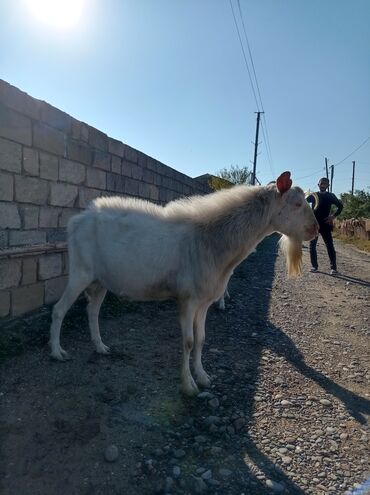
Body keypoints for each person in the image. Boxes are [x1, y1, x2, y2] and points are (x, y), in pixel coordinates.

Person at [306, 177, 343, 274]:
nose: (323, 185)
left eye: (325, 184)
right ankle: (314, 267)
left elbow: (340, 206)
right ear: (318, 184)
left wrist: (333, 216)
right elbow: (304, 202)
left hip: (326, 224)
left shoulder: (331, 196)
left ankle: (334, 268)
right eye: (321, 183)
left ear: (328, 185)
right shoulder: (313, 195)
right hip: (314, 224)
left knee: (330, 246)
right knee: (312, 246)